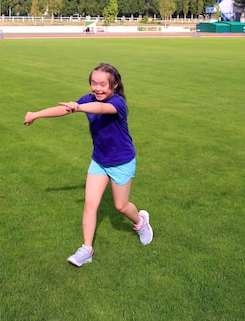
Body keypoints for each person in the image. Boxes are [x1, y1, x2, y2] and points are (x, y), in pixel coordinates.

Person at [24, 63, 153, 267]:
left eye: (103, 84)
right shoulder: (88, 99)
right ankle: (87, 250)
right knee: (90, 204)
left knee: (121, 206)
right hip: (99, 161)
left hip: (122, 162)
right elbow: (64, 109)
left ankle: (141, 222)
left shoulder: (118, 103)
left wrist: (79, 107)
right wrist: (35, 114)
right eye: (94, 83)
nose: (97, 88)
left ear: (114, 84)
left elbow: (101, 109)